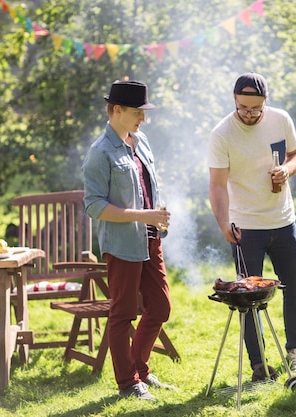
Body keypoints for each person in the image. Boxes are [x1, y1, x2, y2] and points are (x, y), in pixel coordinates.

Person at [208, 72, 296, 381]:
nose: (249, 115)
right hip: (245, 227)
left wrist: (287, 170)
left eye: (256, 109)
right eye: (243, 108)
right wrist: (224, 223)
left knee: (294, 289)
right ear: (234, 101)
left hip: (282, 220)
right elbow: (216, 185)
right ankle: (259, 364)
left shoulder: (280, 120)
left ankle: (295, 353)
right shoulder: (222, 133)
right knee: (248, 299)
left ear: (266, 102)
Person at [82, 80, 174, 400]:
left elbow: (146, 186)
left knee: (160, 307)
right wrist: (142, 216)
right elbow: (93, 206)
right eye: (138, 112)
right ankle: (128, 383)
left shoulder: (141, 141)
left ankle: (140, 370)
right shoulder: (100, 152)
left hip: (150, 239)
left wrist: (156, 214)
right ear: (117, 110)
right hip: (122, 245)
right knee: (122, 314)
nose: (143, 119)